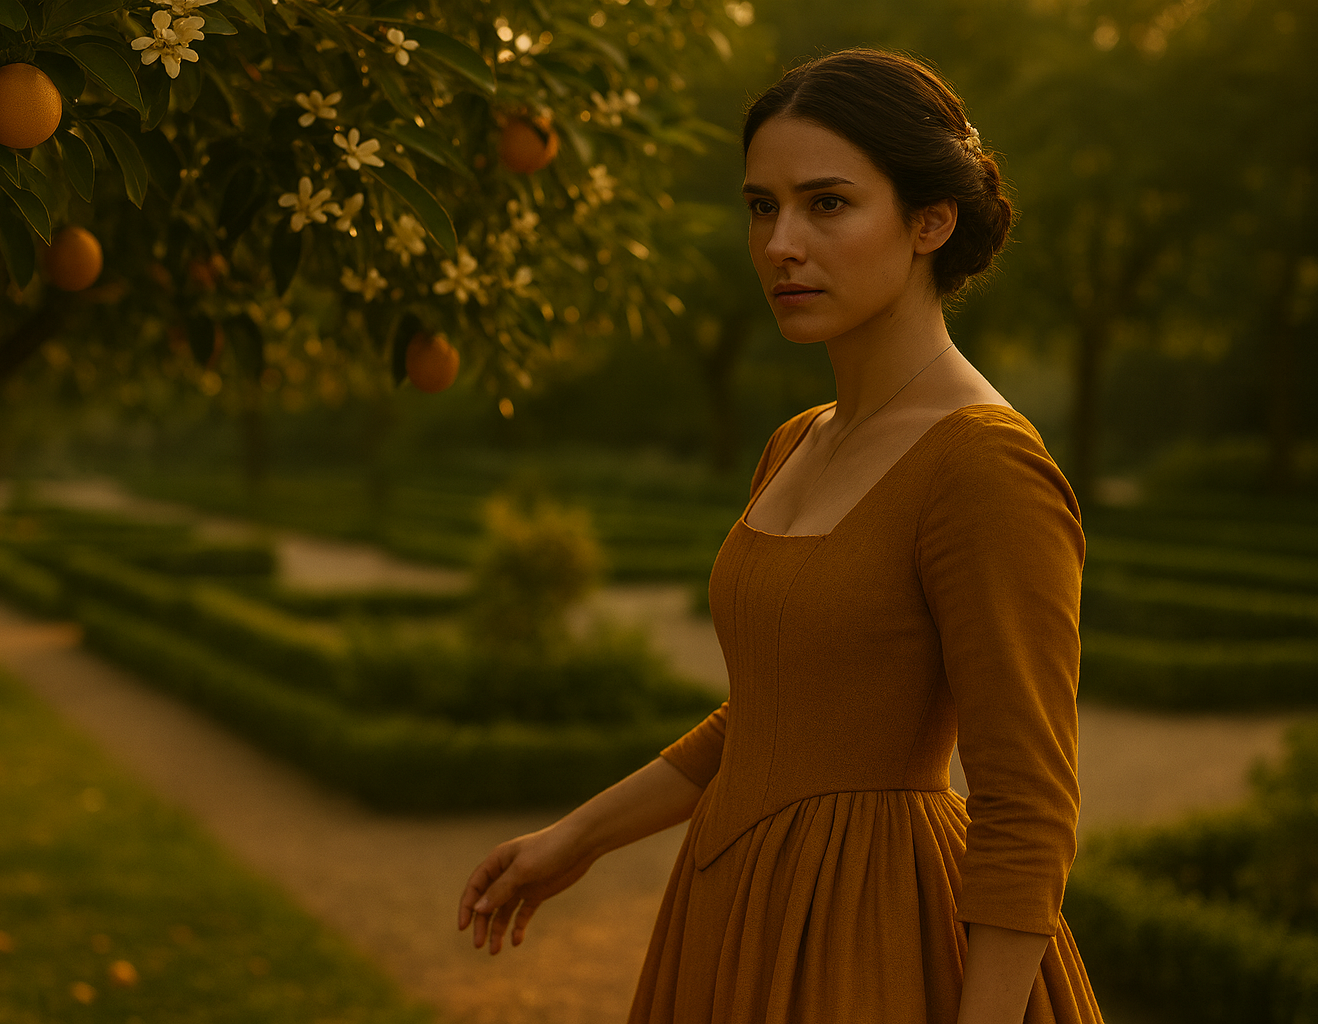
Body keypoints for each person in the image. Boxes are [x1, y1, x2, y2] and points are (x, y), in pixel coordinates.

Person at [457, 49, 1104, 1024]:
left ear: (931, 221)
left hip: (869, 935)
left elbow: (1029, 808)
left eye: (827, 204)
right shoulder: (797, 441)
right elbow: (771, 714)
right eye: (762, 206)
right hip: (734, 909)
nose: (780, 244)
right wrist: (581, 835)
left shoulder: (984, 467)